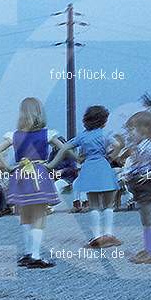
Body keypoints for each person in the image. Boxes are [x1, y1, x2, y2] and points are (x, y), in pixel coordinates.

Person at [0, 97, 63, 268]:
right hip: (38, 173)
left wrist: (8, 168)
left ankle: (27, 252)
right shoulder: (47, 133)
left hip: (20, 174)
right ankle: (36, 255)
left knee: (25, 214)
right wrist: (51, 164)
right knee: (39, 215)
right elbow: (63, 148)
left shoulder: (14, 135)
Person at [47, 105, 121, 248]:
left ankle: (96, 237)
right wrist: (112, 157)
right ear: (103, 121)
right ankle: (109, 234)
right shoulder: (105, 134)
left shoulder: (82, 136)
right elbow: (117, 145)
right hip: (103, 166)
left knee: (93, 204)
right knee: (108, 204)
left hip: (88, 168)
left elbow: (64, 147)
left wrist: (76, 158)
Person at [122, 111, 151, 263]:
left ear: (145, 131)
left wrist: (150, 174)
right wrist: (128, 174)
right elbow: (135, 165)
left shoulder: (148, 147)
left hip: (147, 184)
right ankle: (148, 247)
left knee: (149, 216)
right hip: (139, 185)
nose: (129, 134)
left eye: (131, 130)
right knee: (144, 218)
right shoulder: (138, 147)